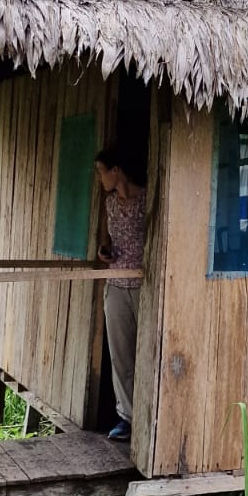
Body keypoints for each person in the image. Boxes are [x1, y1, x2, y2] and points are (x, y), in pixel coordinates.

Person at [94, 146, 147, 442]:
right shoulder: (110, 203)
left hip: (144, 286)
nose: (100, 177)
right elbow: (107, 241)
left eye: (102, 170)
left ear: (117, 171)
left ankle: (151, 415)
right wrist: (105, 252)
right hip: (115, 286)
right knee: (121, 354)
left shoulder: (148, 199)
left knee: (148, 352)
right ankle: (126, 417)